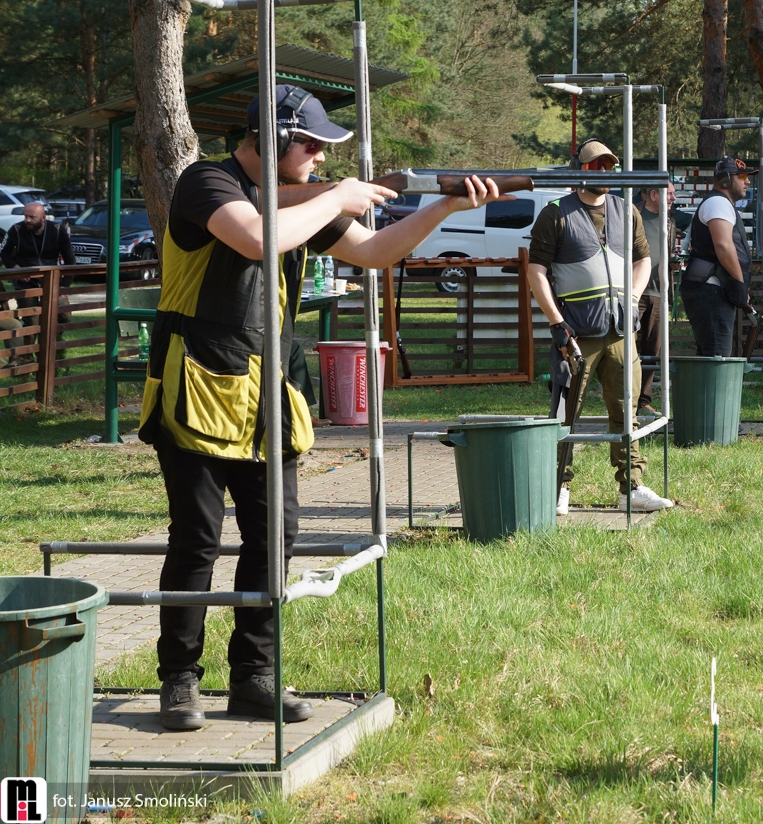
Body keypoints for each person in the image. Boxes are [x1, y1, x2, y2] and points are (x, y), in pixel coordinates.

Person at [139, 84, 505, 731]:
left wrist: (447, 205)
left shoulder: (302, 200)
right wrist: (338, 196)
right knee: (197, 539)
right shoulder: (206, 183)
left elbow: (374, 252)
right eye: (310, 144)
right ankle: (179, 680)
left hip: (265, 395)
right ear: (273, 138)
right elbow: (255, 237)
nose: (320, 158)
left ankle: (254, 675)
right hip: (195, 386)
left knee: (274, 538)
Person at [527, 138, 675, 516]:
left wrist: (633, 298)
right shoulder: (555, 213)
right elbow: (536, 271)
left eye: (610, 166)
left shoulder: (627, 211)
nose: (605, 172)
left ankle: (632, 487)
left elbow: (643, 260)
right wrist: (557, 323)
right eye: (596, 166)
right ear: (579, 170)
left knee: (627, 409)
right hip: (576, 332)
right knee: (566, 412)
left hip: (621, 331)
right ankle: (557, 486)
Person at [680, 157, 757, 356]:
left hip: (714, 288)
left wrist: (738, 285)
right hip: (712, 289)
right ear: (725, 179)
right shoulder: (718, 202)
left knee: (711, 356)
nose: (747, 181)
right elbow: (723, 246)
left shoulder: (719, 203)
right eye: (742, 176)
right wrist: (739, 283)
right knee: (716, 357)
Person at [635, 183, 677, 416]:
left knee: (653, 349)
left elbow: (665, 253)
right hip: (635, 291)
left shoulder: (669, 221)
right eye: (669, 193)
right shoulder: (634, 216)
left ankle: (643, 402)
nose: (673, 198)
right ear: (653, 194)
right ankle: (625, 397)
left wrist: (673, 262)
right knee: (627, 347)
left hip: (659, 292)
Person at [1, 202, 76, 327]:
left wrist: (64, 286)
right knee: (31, 320)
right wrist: (15, 269)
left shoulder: (57, 230)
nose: (27, 220)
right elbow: (4, 253)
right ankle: (28, 339)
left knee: (64, 316)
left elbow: (70, 259)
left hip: (52, 280)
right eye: (25, 216)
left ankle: (53, 338)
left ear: (43, 218)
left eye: (32, 217)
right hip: (26, 281)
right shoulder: (16, 230)